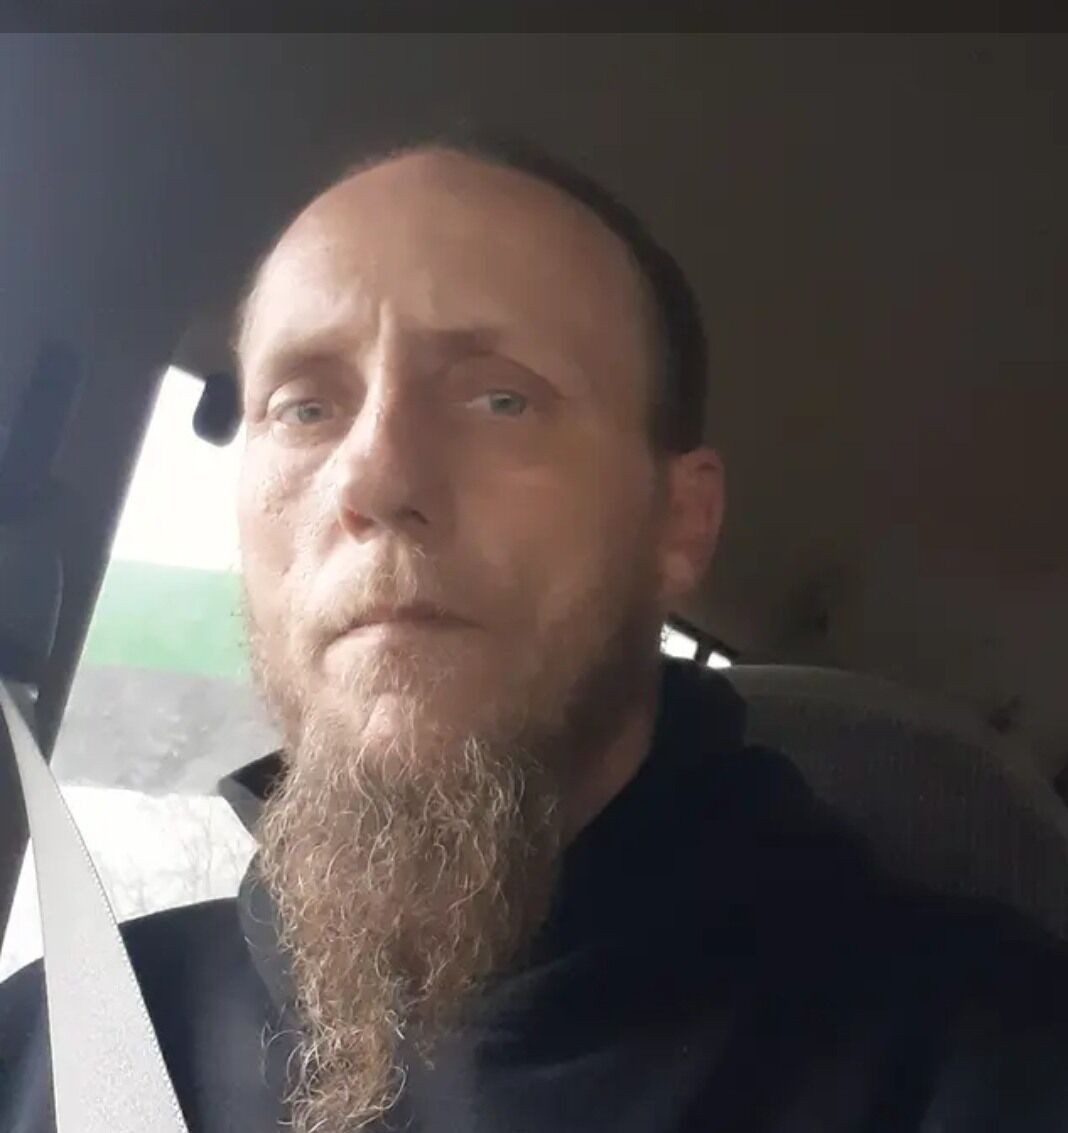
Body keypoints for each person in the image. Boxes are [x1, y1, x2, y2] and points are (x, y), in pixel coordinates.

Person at [2, 136, 1068, 1133]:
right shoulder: (55, 1047)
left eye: (501, 399)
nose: (373, 477)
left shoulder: (986, 1063)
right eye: (304, 407)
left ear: (679, 522)